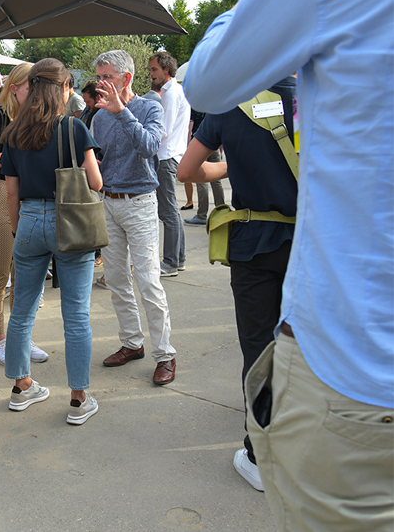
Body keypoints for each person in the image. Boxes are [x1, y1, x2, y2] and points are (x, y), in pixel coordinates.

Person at [183, 0, 393, 529]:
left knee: (258, 347)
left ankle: (255, 443)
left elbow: (188, 160)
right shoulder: (300, 101)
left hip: (346, 350)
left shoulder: (230, 108)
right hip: (304, 236)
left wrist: (223, 170)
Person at [178, 75, 297, 492]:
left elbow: (187, 169)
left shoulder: (232, 105)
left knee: (260, 349)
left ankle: (260, 455)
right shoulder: (328, 98)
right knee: (314, 347)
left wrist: (232, 165)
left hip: (255, 248)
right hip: (314, 246)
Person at [0, 58, 103, 424]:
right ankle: (78, 399)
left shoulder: (13, 133)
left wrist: (18, 231)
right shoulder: (73, 128)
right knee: (75, 314)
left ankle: (21, 386)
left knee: (23, 310)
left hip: (27, 220)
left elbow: (12, 193)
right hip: (69, 221)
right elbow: (96, 182)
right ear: (62, 89)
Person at [92, 50, 177, 386]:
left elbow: (149, 147)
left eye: (107, 77)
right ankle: (132, 342)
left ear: (126, 79)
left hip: (140, 203)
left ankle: (165, 354)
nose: (101, 83)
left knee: (148, 281)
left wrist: (122, 112)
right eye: (98, 77)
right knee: (115, 279)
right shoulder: (98, 116)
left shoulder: (149, 107)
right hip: (108, 201)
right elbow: (99, 158)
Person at [0, 62, 49, 366]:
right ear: (15, 86)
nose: (35, 92)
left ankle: (21, 335)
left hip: (29, 197)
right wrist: (12, 155)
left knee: (26, 277)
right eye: (30, 85)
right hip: (0, 194)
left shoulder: (36, 117)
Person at [148, 52, 188, 278]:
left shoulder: (171, 93)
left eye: (154, 70)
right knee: (170, 210)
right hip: (169, 155)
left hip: (166, 156)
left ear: (166, 69)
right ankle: (177, 259)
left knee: (168, 211)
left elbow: (164, 130)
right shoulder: (172, 91)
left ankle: (171, 262)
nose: (151, 74)